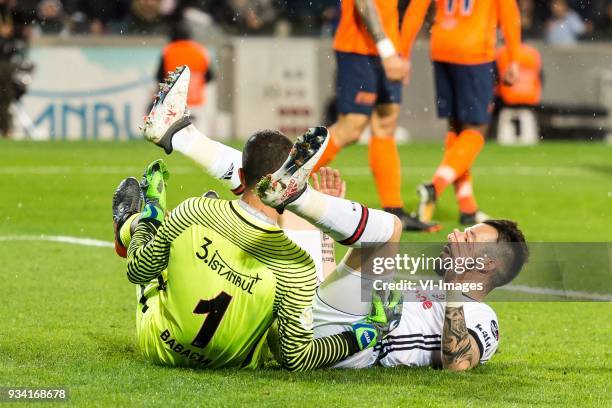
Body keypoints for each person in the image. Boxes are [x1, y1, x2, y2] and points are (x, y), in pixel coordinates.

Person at [112, 66, 402, 370]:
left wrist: (149, 219)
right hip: (240, 360)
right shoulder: (297, 266)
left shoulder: (194, 211)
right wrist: (363, 334)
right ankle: (295, 196)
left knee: (166, 237)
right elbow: (295, 357)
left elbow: (138, 270)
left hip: (160, 345)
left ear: (239, 175)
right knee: (382, 230)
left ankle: (134, 220)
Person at [312, 0, 439, 233]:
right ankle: (284, 180)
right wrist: (388, 51)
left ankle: (394, 211)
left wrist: (402, 53)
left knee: (386, 123)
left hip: (388, 47)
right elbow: (364, 4)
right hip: (359, 48)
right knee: (351, 127)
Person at [400, 0, 522, 225]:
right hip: (474, 52)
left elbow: (416, 9)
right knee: (476, 131)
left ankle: (467, 208)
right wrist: (514, 58)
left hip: (442, 48)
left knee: (456, 130)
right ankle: (435, 187)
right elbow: (510, 16)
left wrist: (403, 53)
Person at [157, 22, 213, 110]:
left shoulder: (168, 51)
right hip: (196, 103)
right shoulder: (200, 50)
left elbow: (159, 77)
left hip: (173, 103)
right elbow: (210, 76)